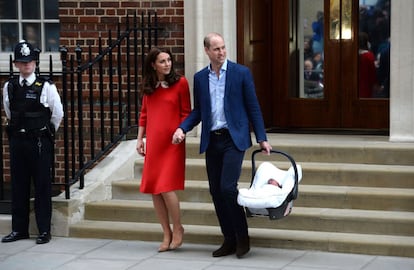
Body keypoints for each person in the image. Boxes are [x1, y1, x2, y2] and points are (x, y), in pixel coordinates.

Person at [172, 32, 272, 258]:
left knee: (228, 188)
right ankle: (228, 239)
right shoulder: (200, 78)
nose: (221, 52)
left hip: (233, 139)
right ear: (207, 51)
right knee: (216, 191)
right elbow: (198, 110)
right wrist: (182, 128)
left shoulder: (241, 73)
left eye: (223, 47)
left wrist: (262, 137)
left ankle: (242, 237)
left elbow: (253, 106)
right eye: (216, 49)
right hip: (212, 139)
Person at [1, 40, 63, 244]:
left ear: (35, 63)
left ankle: (44, 230)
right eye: (22, 62)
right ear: (16, 64)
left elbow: (57, 113)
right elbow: (9, 112)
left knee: (42, 185)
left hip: (39, 141)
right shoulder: (9, 86)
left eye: (30, 61)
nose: (26, 65)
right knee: (18, 186)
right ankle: (19, 229)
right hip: (18, 141)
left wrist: (46, 132)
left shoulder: (45, 86)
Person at [136, 47, 191, 252]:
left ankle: (178, 228)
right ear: (153, 64)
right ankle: (166, 233)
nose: (167, 64)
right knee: (155, 190)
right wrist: (140, 139)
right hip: (154, 144)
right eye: (162, 61)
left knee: (166, 187)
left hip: (173, 143)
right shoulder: (149, 86)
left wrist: (181, 131)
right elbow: (144, 114)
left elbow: (186, 113)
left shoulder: (180, 83)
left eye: (169, 60)